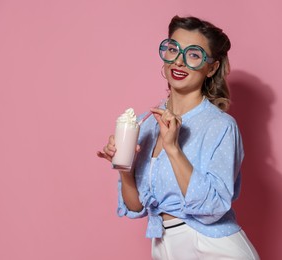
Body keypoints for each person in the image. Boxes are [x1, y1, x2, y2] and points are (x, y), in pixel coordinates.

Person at [97, 15, 260, 260]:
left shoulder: (220, 126)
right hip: (165, 247)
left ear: (212, 67)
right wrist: (124, 166)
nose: (179, 62)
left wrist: (173, 148)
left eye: (193, 54)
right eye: (173, 50)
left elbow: (213, 208)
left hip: (214, 247)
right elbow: (136, 207)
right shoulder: (145, 123)